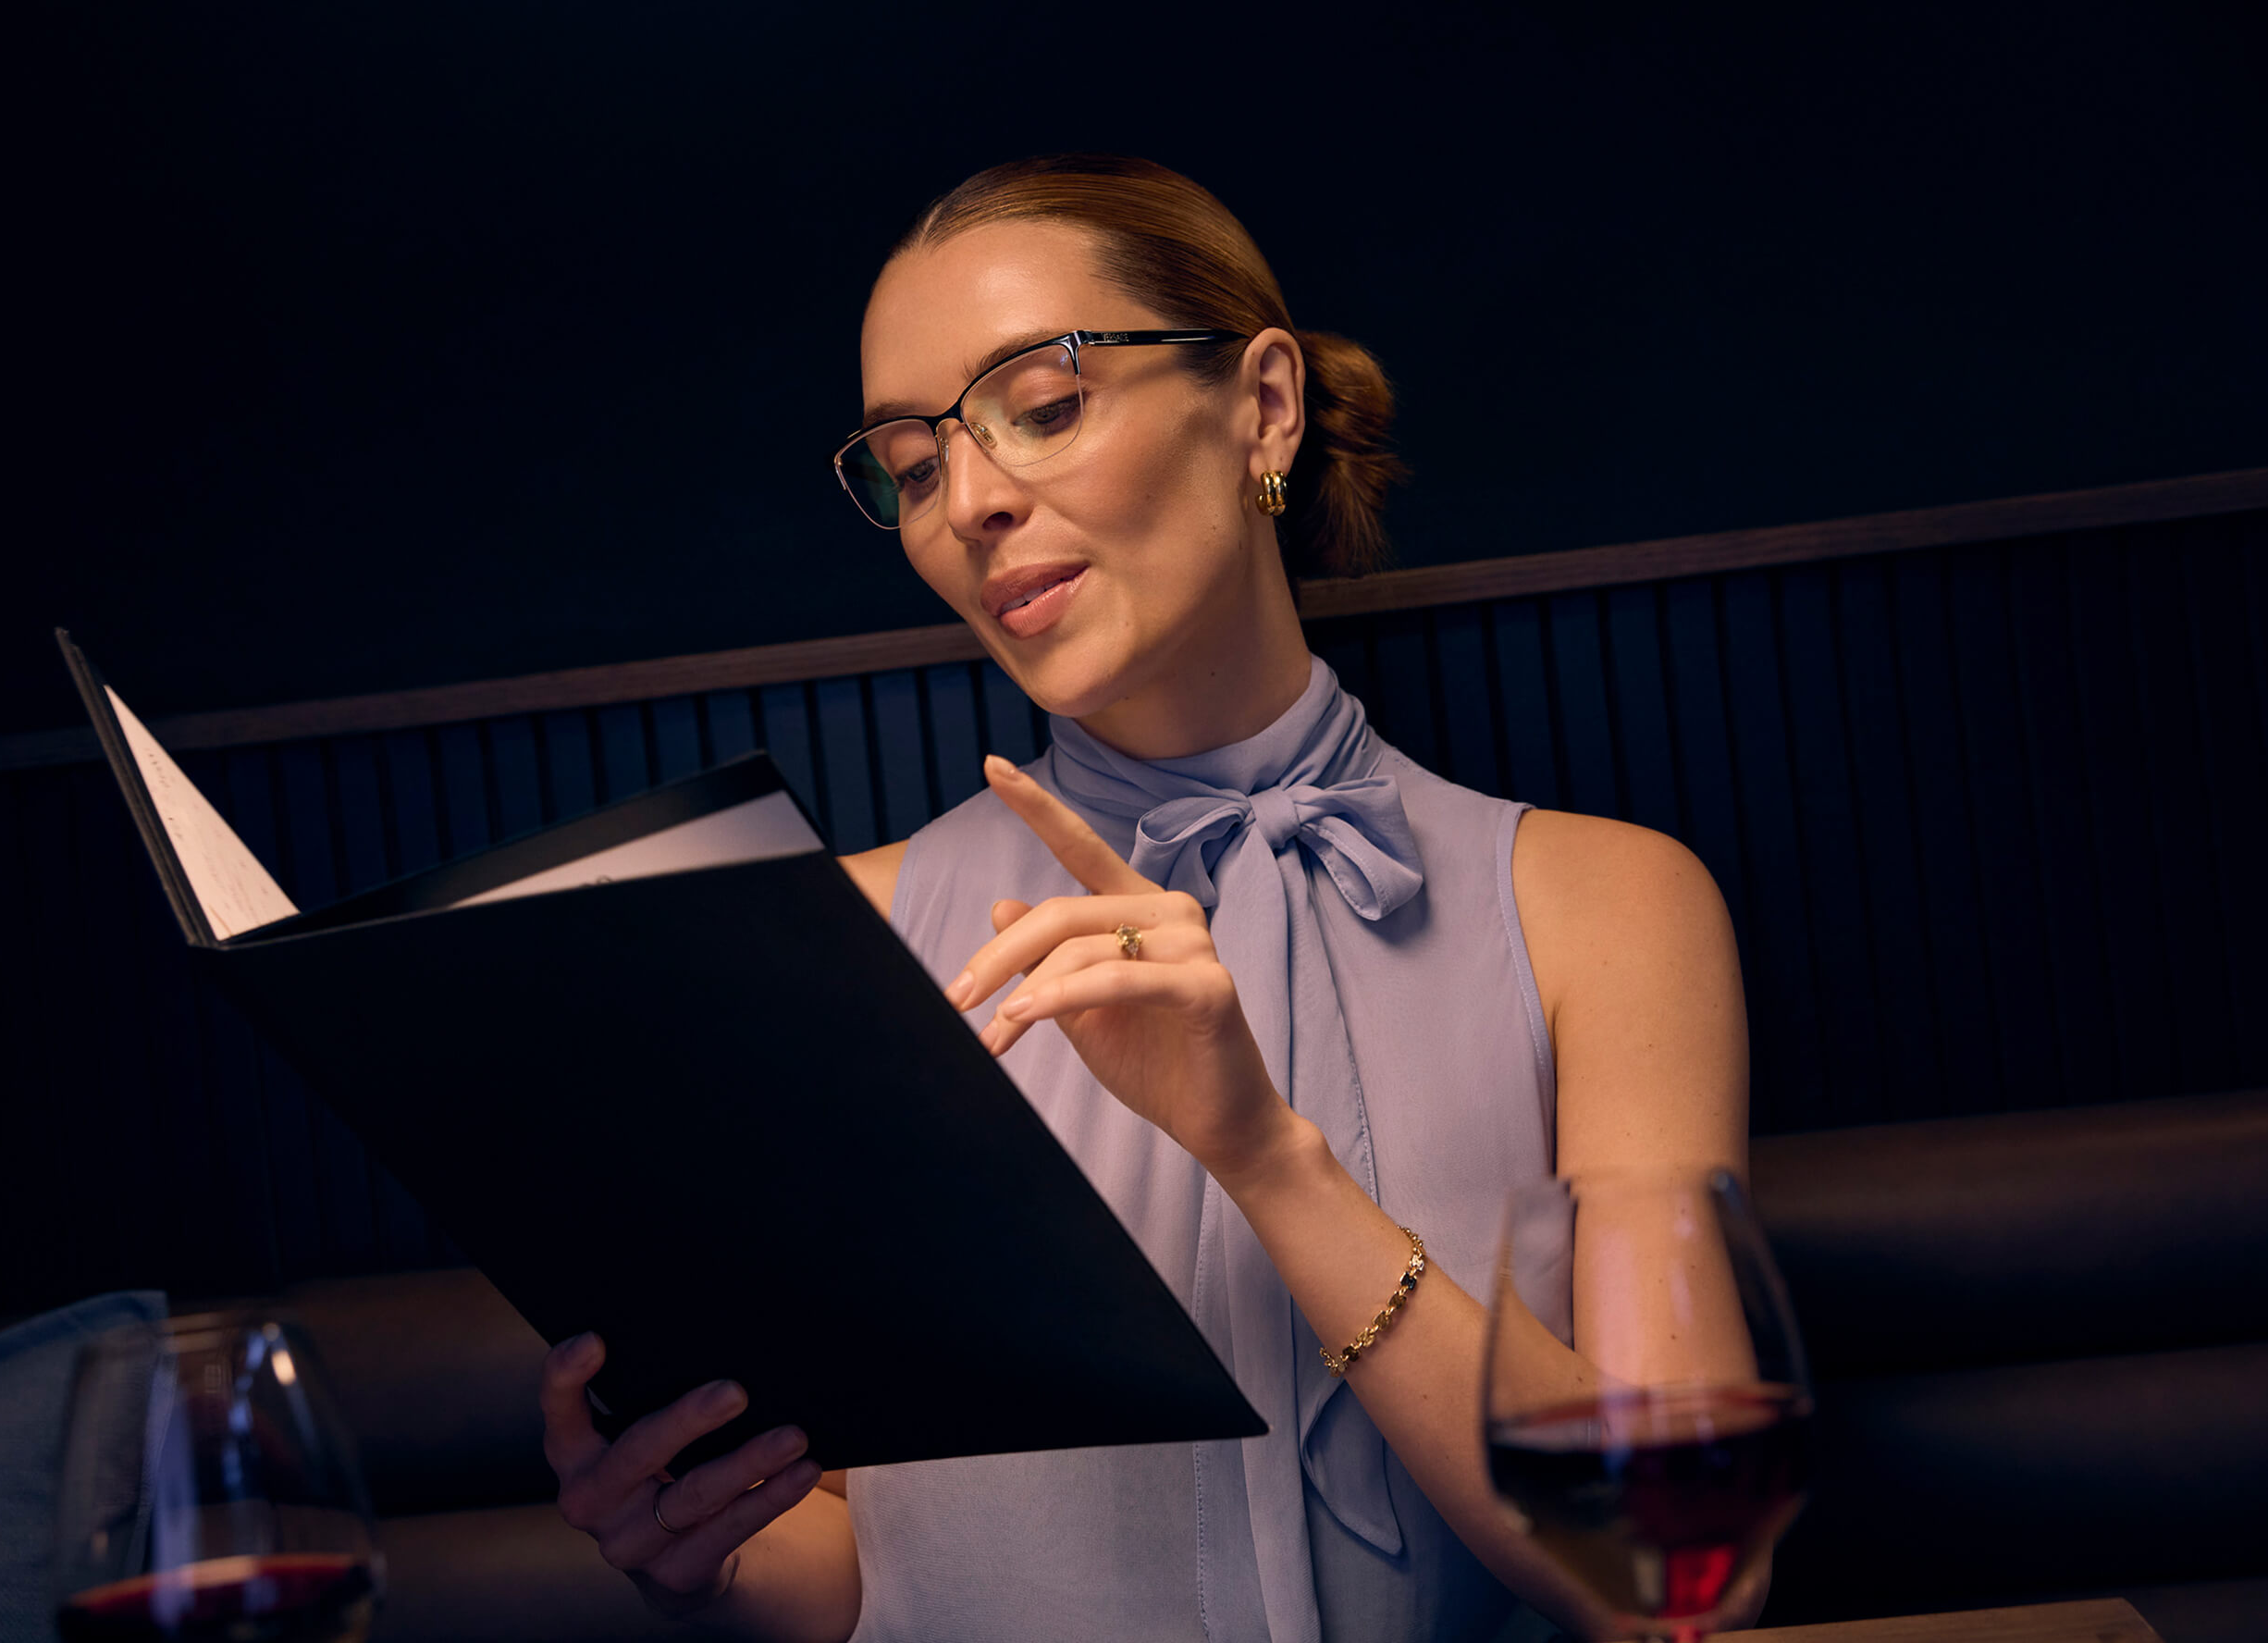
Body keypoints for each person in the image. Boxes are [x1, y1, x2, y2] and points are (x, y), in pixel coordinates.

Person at [537, 154, 1753, 1642]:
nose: (969, 504)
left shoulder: (1606, 908)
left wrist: (1266, 1162)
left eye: (1041, 408)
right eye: (913, 470)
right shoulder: (836, 942)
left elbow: (1678, 1576)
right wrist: (705, 1555)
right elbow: (866, 1573)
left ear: (1262, 408)